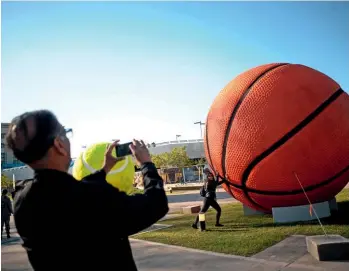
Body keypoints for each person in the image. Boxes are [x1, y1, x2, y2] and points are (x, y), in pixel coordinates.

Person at [5, 110, 169, 271]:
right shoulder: (96, 198)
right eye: (65, 133)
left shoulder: (23, 200)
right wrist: (146, 164)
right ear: (59, 145)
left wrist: (104, 170)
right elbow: (156, 203)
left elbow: (67, 191)